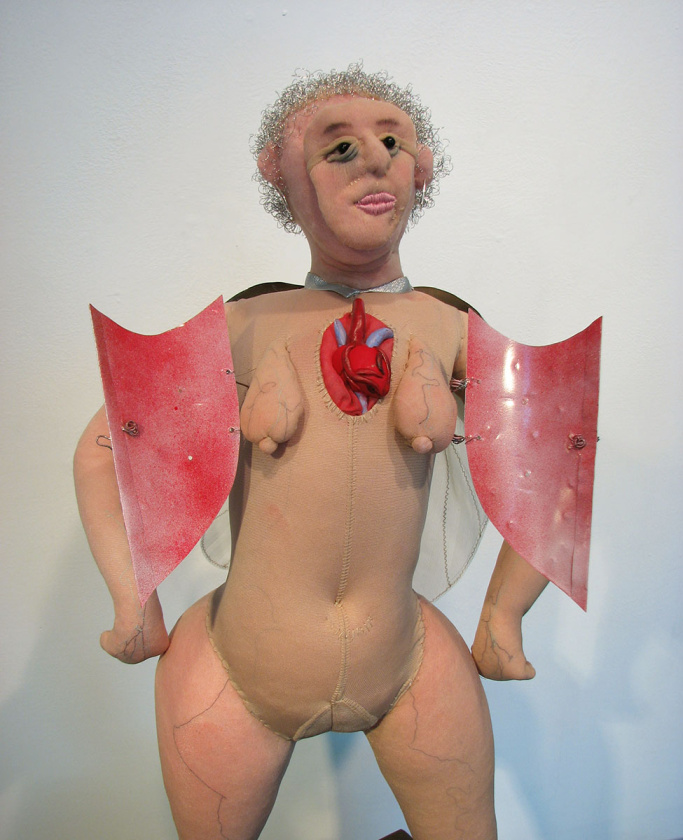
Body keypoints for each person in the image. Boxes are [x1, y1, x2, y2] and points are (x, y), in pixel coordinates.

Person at [74, 66, 549, 840]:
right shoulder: (239, 326)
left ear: (421, 169)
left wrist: (505, 613)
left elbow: (552, 462)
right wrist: (134, 601)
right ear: (279, 170)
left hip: (408, 662)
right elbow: (103, 453)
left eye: (392, 142)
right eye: (339, 148)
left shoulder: (451, 328)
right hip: (231, 670)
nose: (374, 158)